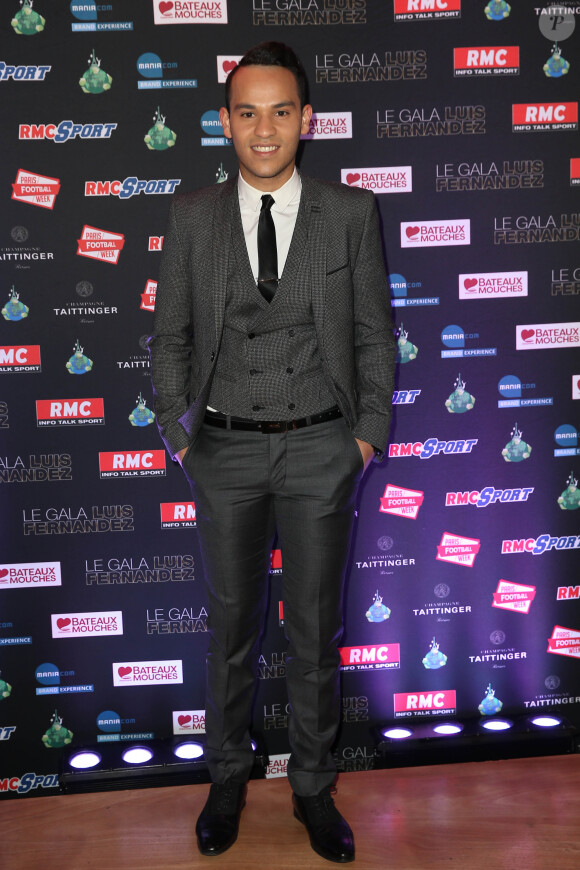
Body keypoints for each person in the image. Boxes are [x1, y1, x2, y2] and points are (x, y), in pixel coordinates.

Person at [148, 41, 395, 863]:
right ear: (225, 122)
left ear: (306, 120)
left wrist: (363, 438)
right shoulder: (189, 216)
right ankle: (227, 779)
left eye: (280, 111)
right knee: (229, 629)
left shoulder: (351, 212)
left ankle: (315, 791)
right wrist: (182, 440)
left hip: (324, 447)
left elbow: (372, 337)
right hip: (222, 449)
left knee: (315, 632)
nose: (264, 129)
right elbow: (171, 338)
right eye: (247, 112)